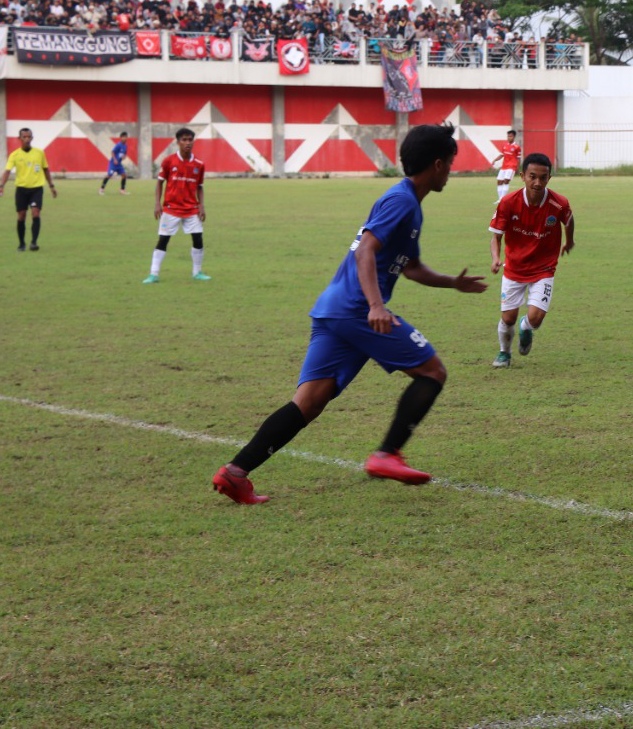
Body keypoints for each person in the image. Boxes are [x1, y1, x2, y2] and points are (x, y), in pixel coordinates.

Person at [211, 124, 488, 502]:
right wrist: (376, 305)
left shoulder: (408, 204)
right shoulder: (402, 201)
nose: (451, 172)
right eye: (451, 164)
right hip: (358, 310)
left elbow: (410, 267)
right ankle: (387, 453)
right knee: (432, 371)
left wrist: (451, 284)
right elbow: (366, 251)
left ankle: (235, 472)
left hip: (335, 309)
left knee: (308, 403)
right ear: (438, 164)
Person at [488, 153, 575, 368]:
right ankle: (504, 353)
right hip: (514, 268)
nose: (537, 182)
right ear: (522, 176)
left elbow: (569, 220)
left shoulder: (559, 203)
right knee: (507, 318)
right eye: (532, 176)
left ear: (549, 178)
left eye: (543, 178)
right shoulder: (508, 203)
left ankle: (525, 326)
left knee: (535, 319)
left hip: (544, 268)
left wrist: (569, 241)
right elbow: (496, 237)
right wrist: (496, 258)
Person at [143, 127, 209, 283]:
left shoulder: (199, 164)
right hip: (171, 209)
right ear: (178, 142)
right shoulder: (169, 161)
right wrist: (157, 204)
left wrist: (201, 205)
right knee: (163, 240)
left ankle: (197, 272)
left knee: (198, 239)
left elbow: (200, 186)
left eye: (190, 139)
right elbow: (159, 183)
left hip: (191, 209)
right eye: (184, 140)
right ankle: (153, 274)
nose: (187, 142)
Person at [0, 127, 57, 251]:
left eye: (29, 137)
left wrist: (51, 186)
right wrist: (1, 185)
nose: (27, 139)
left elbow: (46, 169)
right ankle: (21, 243)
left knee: (35, 212)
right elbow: (7, 171)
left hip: (36, 188)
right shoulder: (14, 155)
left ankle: (34, 242)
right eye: (24, 137)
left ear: (32, 138)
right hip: (21, 189)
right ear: (19, 139)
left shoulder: (40, 153)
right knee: (21, 215)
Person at [489, 129, 521, 203]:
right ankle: (500, 199)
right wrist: (494, 160)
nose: (509, 138)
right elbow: (501, 155)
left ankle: (502, 199)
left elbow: (518, 158)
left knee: (506, 181)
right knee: (499, 181)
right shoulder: (505, 146)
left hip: (511, 167)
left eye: (510, 136)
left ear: (514, 137)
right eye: (508, 136)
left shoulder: (517, 147)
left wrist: (517, 168)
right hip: (504, 167)